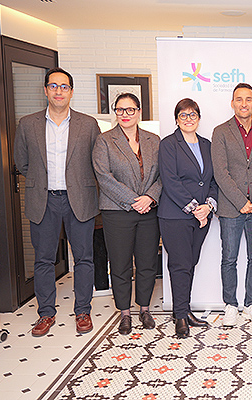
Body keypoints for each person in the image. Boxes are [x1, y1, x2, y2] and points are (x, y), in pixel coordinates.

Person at [13, 67, 101, 336]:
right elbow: (22, 163)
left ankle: (83, 311)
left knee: (84, 259)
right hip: (44, 200)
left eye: (64, 86)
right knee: (43, 260)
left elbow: (96, 162)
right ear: (45, 90)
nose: (59, 91)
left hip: (80, 199)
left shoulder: (88, 124)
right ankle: (45, 314)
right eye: (53, 86)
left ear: (71, 92)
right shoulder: (27, 124)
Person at [92, 93, 162, 335]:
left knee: (147, 263)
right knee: (120, 264)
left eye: (130, 109)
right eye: (120, 110)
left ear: (139, 112)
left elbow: (163, 175)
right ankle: (124, 312)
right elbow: (104, 177)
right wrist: (134, 201)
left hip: (149, 211)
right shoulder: (104, 141)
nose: (125, 114)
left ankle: (144, 309)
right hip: (117, 212)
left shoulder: (154, 140)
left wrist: (150, 197)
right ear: (115, 112)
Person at [212, 83, 252, 327]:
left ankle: (251, 304)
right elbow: (221, 172)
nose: (244, 104)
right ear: (232, 103)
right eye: (239, 99)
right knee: (229, 258)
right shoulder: (221, 132)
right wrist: (241, 202)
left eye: (248, 99)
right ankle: (230, 304)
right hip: (231, 208)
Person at [158, 98, 217, 338]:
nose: (188, 119)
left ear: (199, 118)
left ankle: (184, 309)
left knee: (190, 262)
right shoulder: (168, 144)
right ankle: (180, 316)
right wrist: (195, 209)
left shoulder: (207, 145)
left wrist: (208, 207)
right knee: (180, 264)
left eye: (193, 114)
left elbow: (213, 181)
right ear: (176, 120)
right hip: (175, 215)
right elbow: (170, 181)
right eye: (183, 115)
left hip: (201, 216)